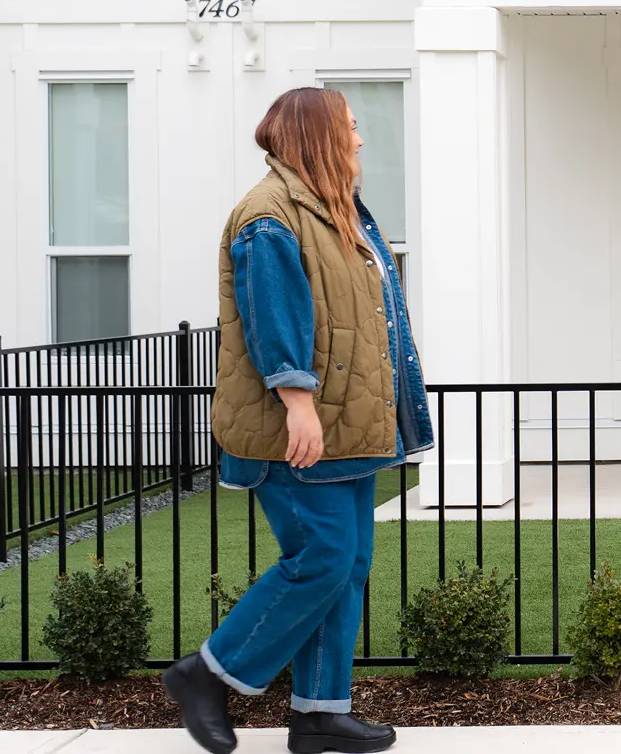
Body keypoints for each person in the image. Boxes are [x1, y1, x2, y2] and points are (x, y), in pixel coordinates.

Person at [161, 87, 433, 754]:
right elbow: (272, 317)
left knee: (348, 563)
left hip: (351, 427)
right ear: (317, 135)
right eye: (350, 127)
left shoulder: (336, 210)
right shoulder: (269, 215)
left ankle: (318, 713)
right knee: (321, 558)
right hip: (299, 430)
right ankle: (207, 672)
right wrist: (298, 403)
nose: (361, 140)